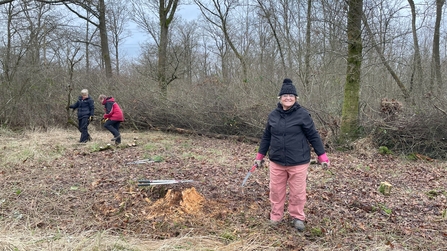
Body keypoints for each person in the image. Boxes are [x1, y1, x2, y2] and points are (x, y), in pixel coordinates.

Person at [254, 78, 330, 232]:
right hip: (277, 161)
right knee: (276, 190)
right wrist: (260, 157)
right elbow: (266, 137)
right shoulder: (273, 115)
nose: (288, 98)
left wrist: (322, 157)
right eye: (285, 95)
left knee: (297, 192)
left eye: (291, 95)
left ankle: (297, 217)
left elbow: (313, 136)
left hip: (298, 161)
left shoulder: (303, 115)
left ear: (296, 98)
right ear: (280, 98)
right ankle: (276, 215)